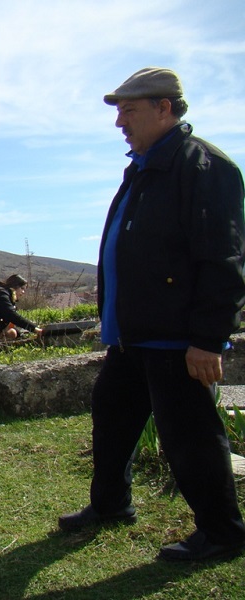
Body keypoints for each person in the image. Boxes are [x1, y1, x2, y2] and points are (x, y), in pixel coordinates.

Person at [58, 67, 245, 562]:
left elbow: (223, 260)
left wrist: (209, 338)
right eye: (118, 111)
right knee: (113, 421)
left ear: (165, 108)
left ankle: (223, 533)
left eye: (129, 110)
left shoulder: (203, 166)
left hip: (175, 338)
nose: (120, 122)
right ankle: (111, 505)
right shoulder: (142, 168)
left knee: (191, 438)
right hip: (132, 336)